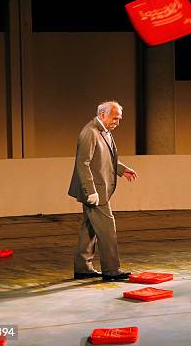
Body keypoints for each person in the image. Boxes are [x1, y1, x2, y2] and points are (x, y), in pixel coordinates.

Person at [68, 101, 138, 281]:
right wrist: (90, 190)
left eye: (119, 119)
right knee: (107, 229)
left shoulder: (104, 132)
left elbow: (106, 158)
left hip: (100, 189)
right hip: (94, 191)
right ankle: (111, 270)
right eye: (115, 118)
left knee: (89, 228)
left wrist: (122, 170)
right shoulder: (89, 133)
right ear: (102, 115)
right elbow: (83, 164)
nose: (117, 122)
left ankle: (83, 267)